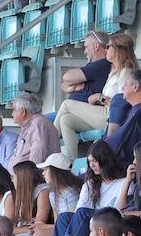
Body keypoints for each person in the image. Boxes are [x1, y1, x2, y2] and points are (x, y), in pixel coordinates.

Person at [55, 31, 129, 161]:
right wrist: (77, 87)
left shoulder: (125, 72)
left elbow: (124, 104)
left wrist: (100, 98)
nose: (106, 49)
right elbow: (64, 84)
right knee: (65, 120)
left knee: (66, 105)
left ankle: (49, 144)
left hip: (111, 117)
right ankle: (70, 163)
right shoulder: (113, 72)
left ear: (117, 50)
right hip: (100, 112)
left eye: (109, 47)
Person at [7, 93, 62, 169]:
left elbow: (38, 154)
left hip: (30, 177)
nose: (12, 114)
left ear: (23, 111)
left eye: (14, 110)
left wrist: (29, 177)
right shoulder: (28, 125)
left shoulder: (38, 123)